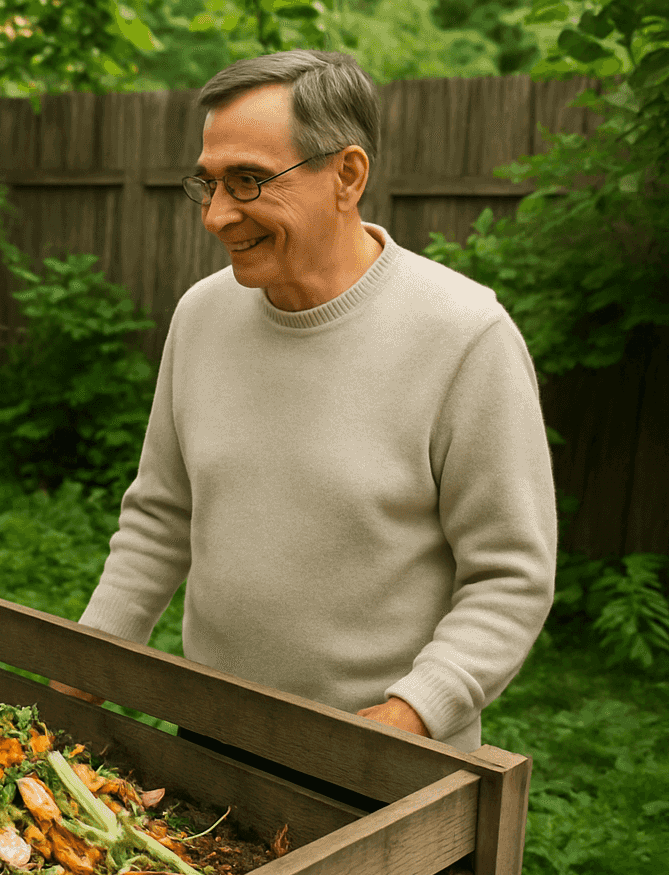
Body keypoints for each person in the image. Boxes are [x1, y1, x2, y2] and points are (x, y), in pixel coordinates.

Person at [60, 50, 556, 753]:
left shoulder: (464, 336)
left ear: (346, 175)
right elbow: (161, 515)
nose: (217, 216)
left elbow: (510, 575)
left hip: (381, 767)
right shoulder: (202, 315)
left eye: (249, 181)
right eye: (207, 184)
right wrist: (89, 661)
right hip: (212, 742)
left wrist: (410, 716)